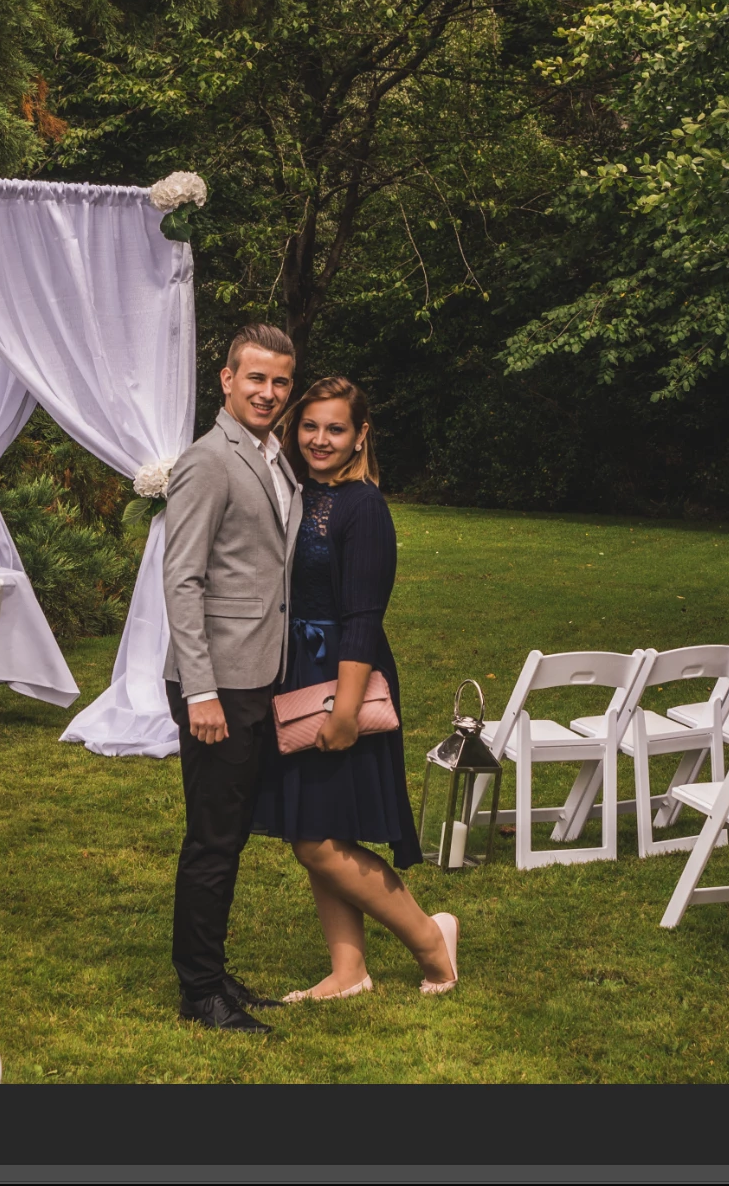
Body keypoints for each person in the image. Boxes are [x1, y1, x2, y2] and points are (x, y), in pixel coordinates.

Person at [252, 376, 458, 1000]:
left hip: (342, 674)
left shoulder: (363, 507)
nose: (320, 439)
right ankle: (348, 971)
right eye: (309, 426)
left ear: (360, 435)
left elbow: (364, 618)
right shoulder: (297, 492)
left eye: (335, 429)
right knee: (317, 829)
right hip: (295, 672)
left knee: (317, 840)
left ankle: (433, 943)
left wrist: (344, 710)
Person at [160, 324, 301, 1034]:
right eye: (256, 379)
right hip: (217, 683)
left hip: (257, 673)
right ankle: (199, 993)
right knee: (214, 839)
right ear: (226, 379)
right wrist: (201, 690)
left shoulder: (271, 456)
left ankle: (212, 972)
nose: (268, 392)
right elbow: (182, 579)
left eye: (280, 381)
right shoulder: (209, 460)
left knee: (231, 834)